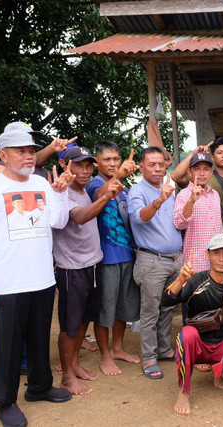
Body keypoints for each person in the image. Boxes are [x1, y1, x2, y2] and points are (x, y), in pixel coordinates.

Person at [0, 129, 75, 426]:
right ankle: (4, 401)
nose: (28, 156)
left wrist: (62, 193)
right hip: (6, 283)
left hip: (41, 278)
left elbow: (57, 221)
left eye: (31, 150)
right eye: (20, 150)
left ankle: (39, 387)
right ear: (3, 155)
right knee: (8, 345)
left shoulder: (41, 183)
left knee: (39, 339)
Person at [161, 234, 223, 414]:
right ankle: (183, 392)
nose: (221, 259)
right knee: (186, 334)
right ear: (207, 255)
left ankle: (219, 372)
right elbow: (166, 301)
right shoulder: (195, 280)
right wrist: (180, 280)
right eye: (216, 253)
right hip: (198, 346)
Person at [53, 147, 125, 395]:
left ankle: (74, 365)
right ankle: (67, 376)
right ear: (66, 166)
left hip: (92, 265)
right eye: (78, 166)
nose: (84, 171)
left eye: (87, 166)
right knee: (70, 326)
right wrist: (105, 198)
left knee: (83, 320)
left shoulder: (83, 191)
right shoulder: (63, 194)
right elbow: (81, 217)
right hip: (72, 269)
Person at [86, 141, 141, 376]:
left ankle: (118, 348)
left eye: (116, 159)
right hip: (105, 257)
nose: (112, 163)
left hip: (127, 254)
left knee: (123, 306)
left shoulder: (126, 188)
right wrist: (118, 175)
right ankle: (105, 355)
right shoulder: (93, 184)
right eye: (107, 159)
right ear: (97, 162)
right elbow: (100, 195)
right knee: (105, 309)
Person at [128, 146, 183, 380]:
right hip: (151, 260)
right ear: (141, 167)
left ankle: (163, 349)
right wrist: (160, 200)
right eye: (152, 164)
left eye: (161, 164)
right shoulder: (137, 191)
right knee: (150, 311)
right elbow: (139, 217)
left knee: (168, 308)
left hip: (174, 260)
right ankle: (149, 357)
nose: (158, 169)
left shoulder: (169, 187)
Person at [172, 138, 223, 239]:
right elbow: (176, 176)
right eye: (219, 152)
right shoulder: (203, 177)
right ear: (212, 157)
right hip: (207, 238)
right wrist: (194, 154)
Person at [173, 152, 223, 272]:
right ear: (189, 172)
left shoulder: (215, 194)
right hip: (195, 262)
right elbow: (179, 224)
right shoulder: (184, 195)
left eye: (206, 169)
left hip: (217, 261)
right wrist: (192, 200)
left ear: (211, 172)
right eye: (197, 169)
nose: (201, 173)